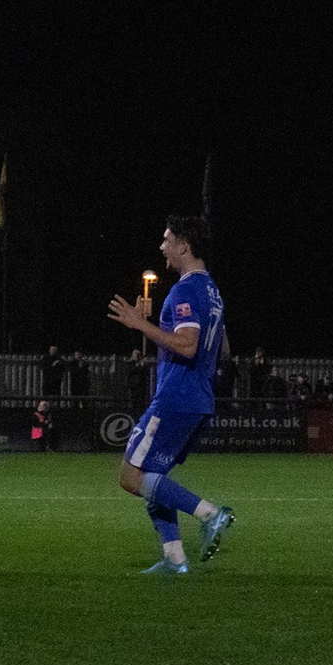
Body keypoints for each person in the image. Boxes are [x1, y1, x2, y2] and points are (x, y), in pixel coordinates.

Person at [103, 216, 234, 576]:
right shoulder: (212, 291)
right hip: (198, 398)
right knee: (154, 478)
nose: (162, 247)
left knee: (131, 476)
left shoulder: (185, 290)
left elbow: (189, 346)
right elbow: (220, 347)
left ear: (183, 246)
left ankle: (211, 514)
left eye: (166, 240)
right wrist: (157, 324)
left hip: (177, 396)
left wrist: (139, 324)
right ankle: (175, 559)